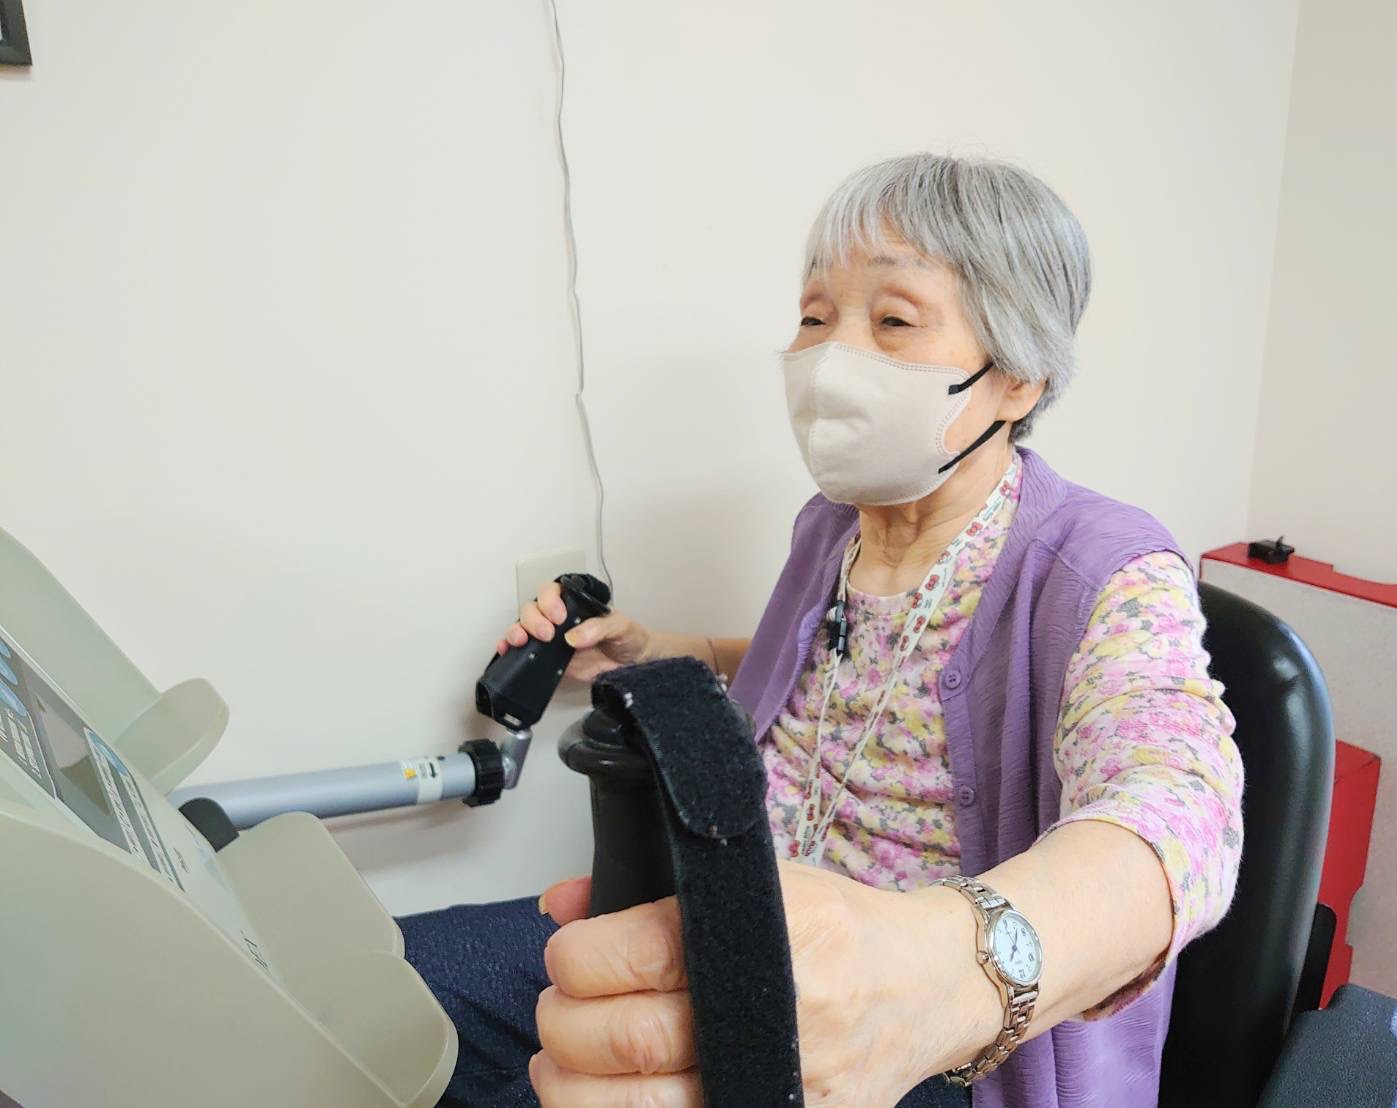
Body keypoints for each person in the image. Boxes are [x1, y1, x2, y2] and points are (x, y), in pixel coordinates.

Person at [400, 152, 1244, 1108]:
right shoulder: (834, 526)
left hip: (928, 1046)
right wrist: (657, 652)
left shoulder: (1103, 566)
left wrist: (943, 974)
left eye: (892, 321)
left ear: (1018, 377)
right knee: (383, 991)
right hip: (732, 928)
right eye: (813, 317)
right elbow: (824, 668)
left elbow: (1182, 806)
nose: (832, 359)